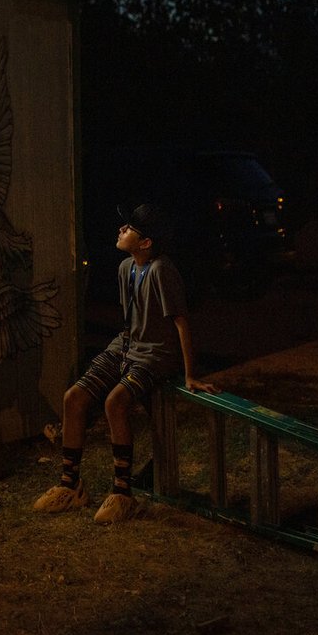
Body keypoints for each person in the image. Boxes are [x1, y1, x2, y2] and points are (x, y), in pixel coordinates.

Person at [33, 202, 218, 523]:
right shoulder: (125, 268)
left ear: (146, 243)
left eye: (130, 228)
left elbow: (180, 322)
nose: (121, 230)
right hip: (126, 345)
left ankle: (122, 492)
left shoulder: (162, 270)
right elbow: (130, 319)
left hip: (153, 354)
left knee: (115, 402)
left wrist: (190, 375)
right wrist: (122, 352)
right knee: (73, 398)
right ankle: (70, 485)